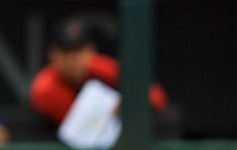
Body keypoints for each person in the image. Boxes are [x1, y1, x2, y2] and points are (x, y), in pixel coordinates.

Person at [30, 17, 168, 127]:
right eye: (66, 52)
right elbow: (83, 124)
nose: (73, 59)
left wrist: (131, 102)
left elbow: (157, 96)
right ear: (52, 55)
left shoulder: (103, 68)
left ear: (91, 51)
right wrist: (111, 110)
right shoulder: (45, 87)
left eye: (79, 50)